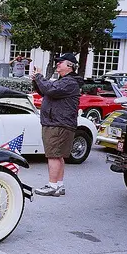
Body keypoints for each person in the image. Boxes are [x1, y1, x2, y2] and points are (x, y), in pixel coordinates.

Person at [32, 53, 84, 197]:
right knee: (58, 155)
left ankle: (52, 185)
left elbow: (50, 90)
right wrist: (37, 81)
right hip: (60, 123)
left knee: (53, 155)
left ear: (70, 66)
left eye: (60, 63)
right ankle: (59, 185)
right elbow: (46, 92)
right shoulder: (66, 82)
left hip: (58, 124)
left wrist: (39, 77)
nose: (57, 65)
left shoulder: (69, 82)